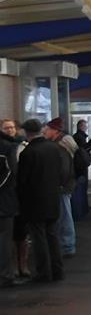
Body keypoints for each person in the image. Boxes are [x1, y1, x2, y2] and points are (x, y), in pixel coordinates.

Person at [17, 119, 67, 282]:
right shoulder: (54, 148)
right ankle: (57, 271)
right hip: (53, 199)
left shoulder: (28, 153)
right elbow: (61, 172)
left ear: (26, 132)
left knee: (39, 238)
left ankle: (43, 273)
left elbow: (22, 181)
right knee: (52, 236)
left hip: (34, 202)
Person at [43, 118, 78, 257]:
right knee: (64, 215)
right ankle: (67, 244)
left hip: (62, 185)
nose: (44, 132)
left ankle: (68, 246)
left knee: (64, 216)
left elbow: (63, 168)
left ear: (55, 131)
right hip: (67, 183)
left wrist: (58, 183)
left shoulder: (60, 145)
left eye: (47, 129)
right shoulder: (65, 142)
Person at [2, 120, 29, 278]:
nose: (10, 130)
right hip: (9, 196)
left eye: (12, 127)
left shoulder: (22, 146)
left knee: (22, 234)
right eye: (6, 128)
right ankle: (12, 266)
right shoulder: (6, 148)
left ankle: (23, 264)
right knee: (9, 236)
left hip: (20, 196)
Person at [0, 119, 19, 286]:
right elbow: (12, 173)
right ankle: (6, 275)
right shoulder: (7, 148)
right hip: (5, 202)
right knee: (6, 239)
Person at [71, 120, 89, 219]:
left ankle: (81, 210)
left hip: (79, 167)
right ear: (81, 126)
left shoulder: (76, 137)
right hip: (81, 167)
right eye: (85, 126)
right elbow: (83, 151)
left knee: (80, 189)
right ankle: (81, 211)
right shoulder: (80, 138)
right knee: (81, 189)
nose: (86, 128)